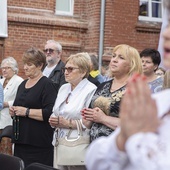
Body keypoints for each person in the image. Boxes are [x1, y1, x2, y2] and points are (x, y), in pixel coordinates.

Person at [85, 1, 170, 169]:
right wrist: (124, 137)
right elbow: (96, 160)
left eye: (120, 57)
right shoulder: (158, 102)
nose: (165, 35)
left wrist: (106, 119)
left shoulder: (140, 93)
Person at [82, 44, 143, 142]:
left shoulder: (136, 89)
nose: (114, 60)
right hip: (96, 147)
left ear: (132, 64)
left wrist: (103, 118)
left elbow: (135, 125)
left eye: (121, 57)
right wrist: (88, 117)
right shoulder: (103, 86)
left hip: (118, 150)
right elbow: (90, 119)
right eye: (113, 56)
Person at [9, 48, 57, 167]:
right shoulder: (22, 84)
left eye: (29, 64)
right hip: (20, 141)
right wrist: (13, 111)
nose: (25, 67)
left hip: (38, 144)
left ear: (40, 65)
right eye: (24, 64)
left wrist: (26, 112)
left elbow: (49, 113)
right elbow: (17, 107)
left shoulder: (47, 85)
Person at [49, 52, 97, 170]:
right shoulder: (64, 88)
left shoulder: (91, 89)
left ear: (83, 72)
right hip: (59, 141)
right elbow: (56, 110)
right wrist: (53, 119)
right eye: (65, 69)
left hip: (77, 143)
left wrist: (67, 123)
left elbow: (89, 122)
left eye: (70, 69)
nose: (66, 72)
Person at [0, 57, 23, 155]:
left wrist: (7, 103)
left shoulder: (19, 81)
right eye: (3, 67)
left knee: (6, 149)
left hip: (9, 120)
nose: (4, 70)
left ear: (14, 69)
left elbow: (22, 100)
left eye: (7, 67)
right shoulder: (1, 80)